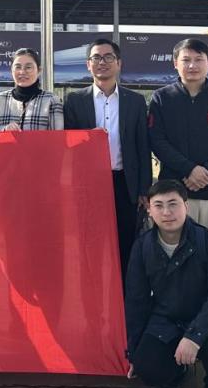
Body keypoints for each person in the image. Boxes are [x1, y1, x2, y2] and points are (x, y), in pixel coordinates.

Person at [125, 179, 208, 388]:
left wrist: (195, 337)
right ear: (149, 210)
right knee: (146, 365)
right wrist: (134, 352)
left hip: (207, 319)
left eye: (173, 204)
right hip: (166, 320)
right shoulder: (143, 247)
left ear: (186, 206)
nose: (167, 212)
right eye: (159, 205)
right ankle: (174, 376)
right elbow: (136, 301)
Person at [63, 38, 151, 286]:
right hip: (88, 185)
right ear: (88, 65)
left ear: (119, 63)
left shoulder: (135, 101)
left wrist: (144, 189)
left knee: (126, 245)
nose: (102, 62)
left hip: (124, 183)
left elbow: (142, 146)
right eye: (96, 58)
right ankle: (93, 298)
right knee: (90, 246)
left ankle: (124, 301)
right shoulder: (74, 100)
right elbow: (67, 144)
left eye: (108, 57)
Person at [148, 38, 208, 252]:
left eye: (198, 59)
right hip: (175, 193)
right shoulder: (162, 98)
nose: (192, 65)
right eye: (186, 60)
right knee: (174, 254)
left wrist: (207, 172)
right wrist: (189, 170)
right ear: (175, 63)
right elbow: (158, 141)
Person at [0, 48, 63, 132]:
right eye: (18, 67)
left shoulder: (51, 100)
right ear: (11, 70)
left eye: (28, 67)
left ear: (39, 70)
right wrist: (4, 130)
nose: (22, 72)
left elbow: (58, 136)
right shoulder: (0, 99)